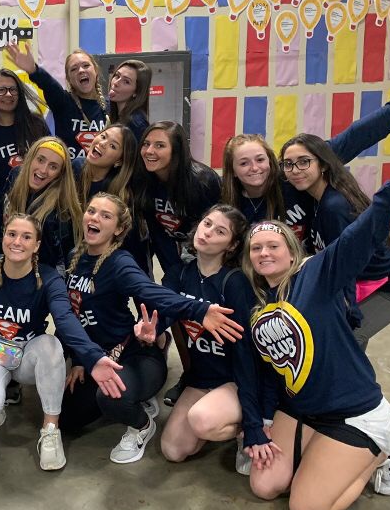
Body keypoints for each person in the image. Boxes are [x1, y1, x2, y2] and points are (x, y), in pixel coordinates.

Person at [238, 148, 390, 510]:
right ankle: (326, 454)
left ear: (292, 253)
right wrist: (263, 420)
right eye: (256, 248)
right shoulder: (259, 304)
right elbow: (275, 370)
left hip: (352, 411)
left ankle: (385, 446)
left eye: (274, 245)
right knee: (265, 485)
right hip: (301, 408)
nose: (264, 252)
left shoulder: (316, 275)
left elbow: (362, 232)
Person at [59, 195, 245, 465]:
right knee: (70, 418)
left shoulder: (234, 282)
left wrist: (199, 310)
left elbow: (151, 293)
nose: (95, 218)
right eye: (91, 211)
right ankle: (141, 395)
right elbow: (77, 315)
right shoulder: (75, 258)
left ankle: (144, 422)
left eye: (106, 216)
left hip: (148, 359)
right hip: (191, 377)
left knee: (115, 397)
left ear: (119, 229)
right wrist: (152, 329)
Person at [0, 213, 126, 471]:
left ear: (36, 245)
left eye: (26, 237)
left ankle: (50, 430)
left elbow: (65, 319)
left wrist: (92, 357)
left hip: (27, 354)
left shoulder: (49, 279)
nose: (17, 242)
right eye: (12, 234)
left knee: (51, 346)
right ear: (3, 237)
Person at [131, 204, 259, 474]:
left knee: (201, 420)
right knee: (173, 451)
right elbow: (163, 312)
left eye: (220, 231)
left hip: (233, 380)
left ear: (232, 245)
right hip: (200, 379)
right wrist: (153, 331)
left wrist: (252, 421)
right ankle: (215, 417)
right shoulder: (179, 273)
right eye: (207, 223)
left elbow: (246, 352)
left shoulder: (235, 282)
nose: (208, 232)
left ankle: (243, 431)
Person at [220, 79, 390, 231]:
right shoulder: (226, 200)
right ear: (233, 170)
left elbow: (357, 136)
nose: (255, 168)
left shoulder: (295, 171)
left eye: (260, 159)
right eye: (244, 163)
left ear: (271, 160)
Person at [280, 134, 390, 348]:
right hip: (367, 278)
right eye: (288, 164)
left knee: (346, 340)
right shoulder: (313, 197)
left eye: (304, 161)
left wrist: (349, 313)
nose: (295, 170)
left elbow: (346, 267)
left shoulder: (334, 207)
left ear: (323, 164)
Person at [134, 121, 222, 405]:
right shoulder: (145, 180)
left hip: (210, 258)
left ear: (177, 150)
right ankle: (190, 375)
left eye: (159, 145)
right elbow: (158, 232)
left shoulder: (203, 181)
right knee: (175, 310)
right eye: (146, 144)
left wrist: (200, 268)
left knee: (206, 315)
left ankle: (219, 378)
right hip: (175, 258)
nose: (149, 151)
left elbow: (219, 227)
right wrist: (174, 271)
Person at [4, 43, 107, 159]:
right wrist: (33, 70)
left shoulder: (109, 106)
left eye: (86, 65)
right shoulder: (63, 101)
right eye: (74, 69)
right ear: (69, 79)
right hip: (69, 169)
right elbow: (49, 85)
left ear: (96, 70)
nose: (81, 70)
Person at [0, 136, 83, 270]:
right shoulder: (15, 176)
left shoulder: (59, 210)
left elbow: (56, 263)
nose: (43, 170)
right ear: (30, 158)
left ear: (60, 175)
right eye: (40, 160)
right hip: (4, 261)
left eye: (53, 167)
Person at [0, 68, 49, 209]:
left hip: (41, 203)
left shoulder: (36, 123)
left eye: (13, 89)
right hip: (7, 206)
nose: (8, 94)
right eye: (1, 90)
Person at [72, 124, 138, 206]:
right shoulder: (76, 166)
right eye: (103, 137)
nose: (102, 143)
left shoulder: (120, 195)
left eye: (112, 146)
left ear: (119, 161)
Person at [106, 59, 152, 143]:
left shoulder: (136, 124)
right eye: (117, 76)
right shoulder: (109, 107)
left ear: (136, 92)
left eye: (126, 82)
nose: (116, 83)